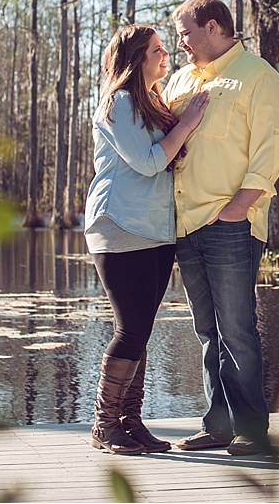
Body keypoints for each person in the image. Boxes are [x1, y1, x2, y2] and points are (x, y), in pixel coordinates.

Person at [163, 0, 279, 457]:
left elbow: (271, 149)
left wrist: (238, 207)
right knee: (206, 331)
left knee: (236, 329)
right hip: (183, 224)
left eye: (185, 32)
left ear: (213, 27)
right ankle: (217, 427)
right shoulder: (178, 81)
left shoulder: (258, 75)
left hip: (229, 223)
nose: (181, 43)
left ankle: (252, 432)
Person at [84, 24, 209, 456]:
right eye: (157, 50)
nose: (165, 55)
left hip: (156, 228)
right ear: (137, 57)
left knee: (141, 329)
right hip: (119, 222)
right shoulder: (118, 103)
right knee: (130, 328)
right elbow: (150, 161)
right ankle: (104, 425)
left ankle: (131, 423)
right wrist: (190, 121)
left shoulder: (151, 101)